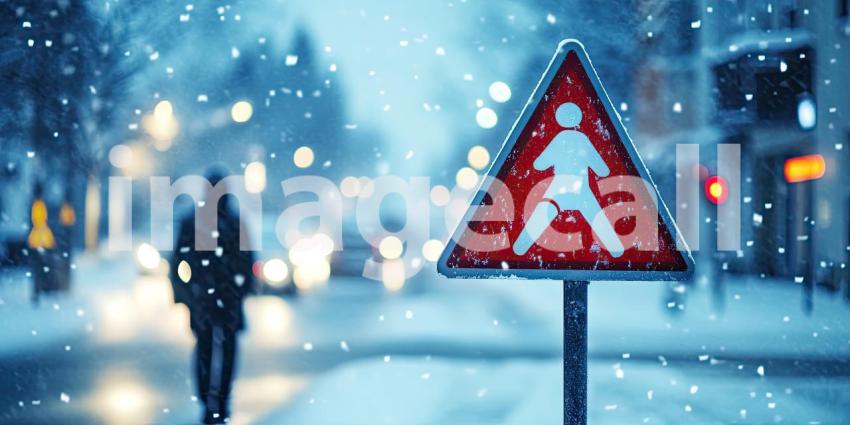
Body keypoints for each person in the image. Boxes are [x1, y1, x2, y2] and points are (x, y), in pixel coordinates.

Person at [170, 166, 255, 424]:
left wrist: (186, 294)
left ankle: (210, 402)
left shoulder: (195, 221)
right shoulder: (232, 222)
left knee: (206, 349)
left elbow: (178, 263)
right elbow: (246, 261)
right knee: (222, 350)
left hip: (205, 298)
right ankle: (218, 402)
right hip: (220, 298)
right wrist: (240, 289)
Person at [513, 102, 624, 257]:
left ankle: (519, 249)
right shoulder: (582, 140)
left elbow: (539, 165)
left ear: (560, 118)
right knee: (597, 218)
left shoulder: (559, 139)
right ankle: (617, 250)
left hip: (559, 187)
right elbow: (603, 170)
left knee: (539, 218)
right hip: (581, 188)